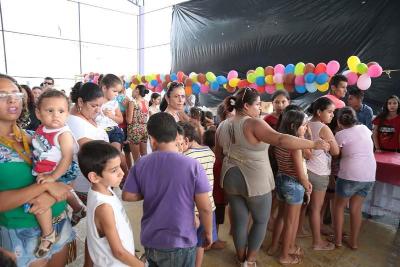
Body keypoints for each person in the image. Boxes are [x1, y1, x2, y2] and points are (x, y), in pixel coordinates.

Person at [215, 87, 329, 266]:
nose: (260, 108)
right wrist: (313, 143)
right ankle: (250, 261)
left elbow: (219, 155)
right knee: (260, 221)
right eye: (258, 104)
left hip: (230, 178)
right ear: (246, 106)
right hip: (254, 180)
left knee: (239, 221)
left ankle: (240, 257)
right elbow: (281, 139)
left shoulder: (222, 125)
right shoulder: (253, 123)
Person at [0, 73, 74, 267]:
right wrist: (45, 188)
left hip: (58, 220)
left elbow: (71, 172)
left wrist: (52, 195)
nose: (11, 99)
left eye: (16, 93)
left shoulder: (37, 136)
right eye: (1, 95)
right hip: (20, 232)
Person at [122, 112, 213, 267]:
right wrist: (208, 233)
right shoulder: (192, 165)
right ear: (176, 135)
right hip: (181, 240)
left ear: (152, 139)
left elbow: (127, 195)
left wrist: (151, 191)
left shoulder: (141, 163)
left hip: (151, 239)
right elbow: (205, 208)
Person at [31, 89, 84, 257]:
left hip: (61, 170)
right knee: (64, 191)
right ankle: (78, 208)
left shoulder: (64, 134)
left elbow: (67, 158)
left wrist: (53, 178)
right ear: (38, 114)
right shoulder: (42, 128)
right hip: (49, 169)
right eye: (50, 111)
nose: (56, 115)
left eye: (61, 111)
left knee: (39, 201)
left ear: (67, 113)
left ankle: (48, 234)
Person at [77, 141, 144, 267]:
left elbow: (91, 236)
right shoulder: (104, 207)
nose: (122, 173)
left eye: (119, 166)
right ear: (94, 177)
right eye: (114, 170)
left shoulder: (100, 190)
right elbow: (118, 252)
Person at [268, 110, 312, 265]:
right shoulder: (295, 146)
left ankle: (273, 247)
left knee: (280, 216)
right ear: (294, 126)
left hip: (281, 179)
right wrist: (307, 186)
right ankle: (285, 255)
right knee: (291, 222)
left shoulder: (280, 141)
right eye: (304, 126)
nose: (306, 129)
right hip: (294, 184)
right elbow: (300, 174)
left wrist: (301, 136)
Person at [179, 121, 223, 266]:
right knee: (200, 244)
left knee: (186, 244)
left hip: (190, 210)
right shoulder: (209, 152)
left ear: (185, 140)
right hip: (208, 208)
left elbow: (184, 189)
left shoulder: (185, 158)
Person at [333, 107, 376, 249]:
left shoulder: (340, 135)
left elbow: (335, 154)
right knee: (356, 209)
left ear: (339, 122)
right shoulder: (364, 128)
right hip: (369, 175)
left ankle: (338, 241)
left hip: (350, 174)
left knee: (339, 207)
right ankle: (354, 242)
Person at [306, 97, 340, 251]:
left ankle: (298, 232)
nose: (333, 115)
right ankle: (317, 242)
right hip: (319, 172)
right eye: (330, 112)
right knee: (315, 209)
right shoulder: (323, 128)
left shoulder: (306, 122)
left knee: (302, 208)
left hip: (305, 170)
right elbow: (335, 152)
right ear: (319, 112)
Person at [67, 82, 109, 205]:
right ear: (80, 102)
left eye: (100, 105)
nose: (98, 110)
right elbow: (91, 151)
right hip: (87, 181)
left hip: (97, 177)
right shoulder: (75, 121)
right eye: (94, 105)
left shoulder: (87, 116)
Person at [96, 74, 125, 152]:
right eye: (114, 91)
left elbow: (120, 120)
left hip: (113, 131)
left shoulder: (114, 103)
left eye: (118, 92)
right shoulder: (95, 102)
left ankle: (124, 165)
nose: (116, 94)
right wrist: (97, 112)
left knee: (115, 151)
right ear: (104, 88)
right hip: (99, 132)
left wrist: (111, 116)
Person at [127, 84, 149, 162]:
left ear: (137, 90)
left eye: (133, 90)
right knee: (144, 155)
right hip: (144, 129)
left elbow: (129, 120)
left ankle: (138, 173)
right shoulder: (146, 102)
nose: (131, 93)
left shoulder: (132, 102)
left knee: (136, 159)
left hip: (134, 130)